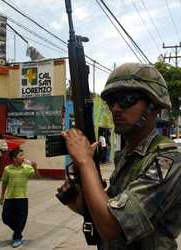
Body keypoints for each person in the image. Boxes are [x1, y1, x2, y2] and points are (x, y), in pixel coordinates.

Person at [58, 63, 181, 250]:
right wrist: (77, 201)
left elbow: (112, 227)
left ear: (154, 106)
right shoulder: (127, 156)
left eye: (127, 99)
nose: (116, 108)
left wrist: (85, 162)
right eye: (112, 101)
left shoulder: (168, 161)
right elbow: (105, 210)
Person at [0, 148, 39, 248]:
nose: (23, 157)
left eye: (23, 155)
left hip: (22, 198)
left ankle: (17, 237)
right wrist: (2, 196)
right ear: (14, 158)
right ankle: (18, 231)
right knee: (5, 218)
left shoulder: (27, 168)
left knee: (21, 219)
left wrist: (35, 167)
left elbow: (37, 177)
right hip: (9, 197)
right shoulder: (7, 169)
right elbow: (4, 182)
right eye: (21, 155)